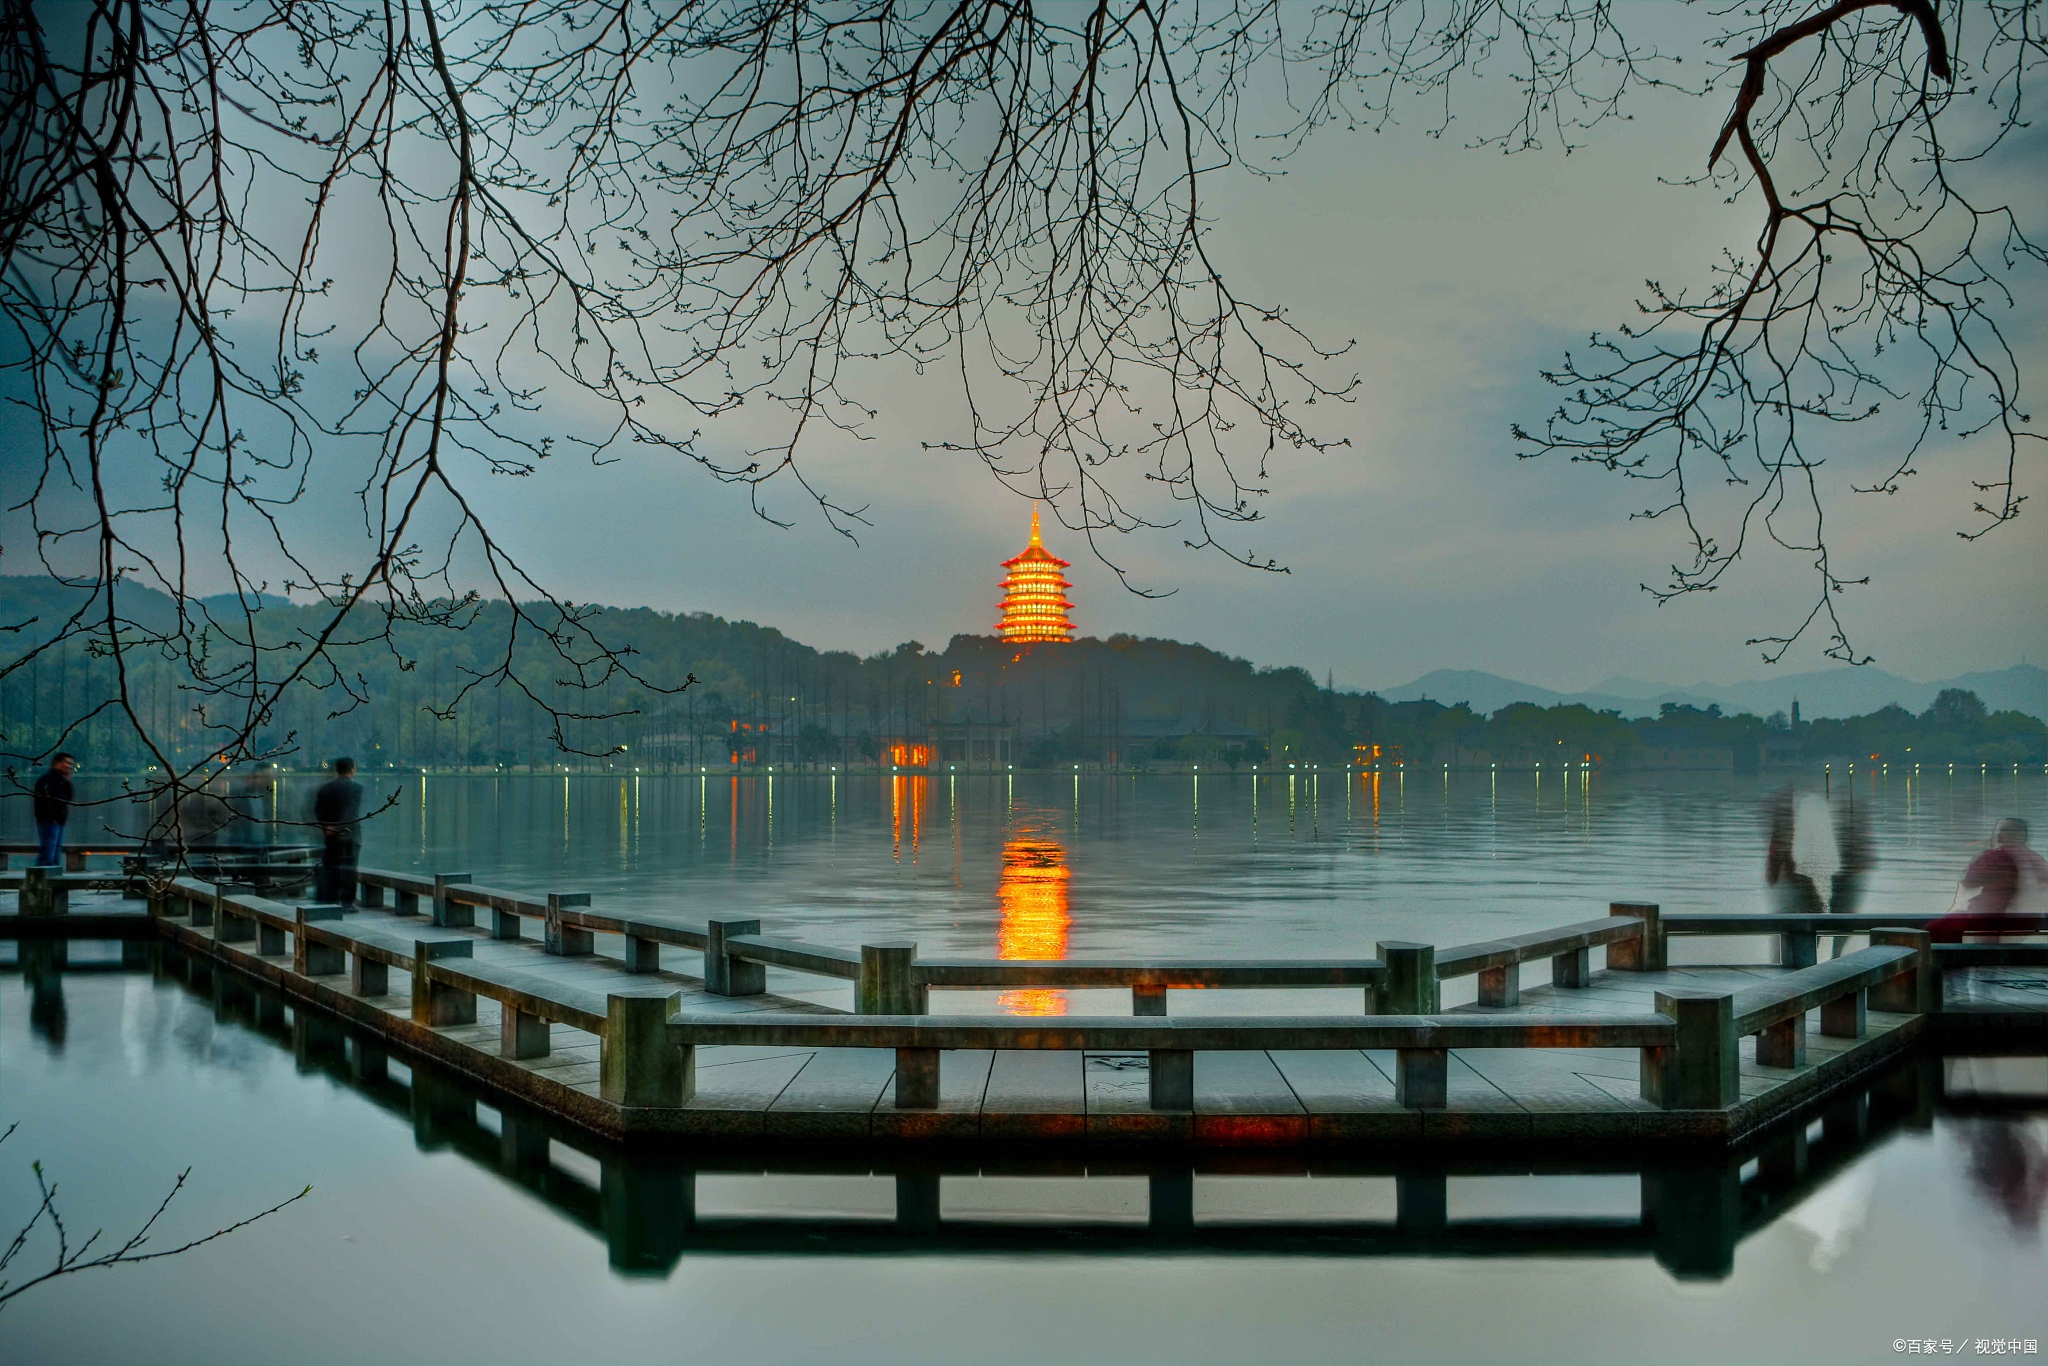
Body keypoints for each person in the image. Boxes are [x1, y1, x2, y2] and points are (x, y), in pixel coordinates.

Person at [1929, 818, 2048, 944]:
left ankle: (1949, 961)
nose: (1998, 833)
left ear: (2019, 834)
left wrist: (1981, 856)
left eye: (2004, 830)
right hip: (2029, 922)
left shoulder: (1996, 857)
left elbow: (1969, 882)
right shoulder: (2035, 859)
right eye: (1999, 830)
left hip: (1992, 919)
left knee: (1933, 930)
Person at [312, 758, 364, 906]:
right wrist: (339, 827)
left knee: (331, 868)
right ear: (352, 769)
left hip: (330, 837)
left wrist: (327, 827)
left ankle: (330, 899)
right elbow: (351, 812)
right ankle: (347, 902)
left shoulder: (325, 788)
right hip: (350, 836)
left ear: (336, 769)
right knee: (349, 869)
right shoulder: (357, 788)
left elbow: (318, 811)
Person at [31, 753, 77, 867]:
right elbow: (43, 802)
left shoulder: (61, 781)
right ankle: (40, 880)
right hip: (48, 821)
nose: (69, 766)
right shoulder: (47, 780)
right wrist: (52, 817)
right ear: (57, 763)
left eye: (71, 764)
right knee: (47, 854)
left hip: (59, 821)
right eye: (67, 763)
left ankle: (52, 878)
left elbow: (69, 798)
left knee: (55, 855)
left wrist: (67, 780)